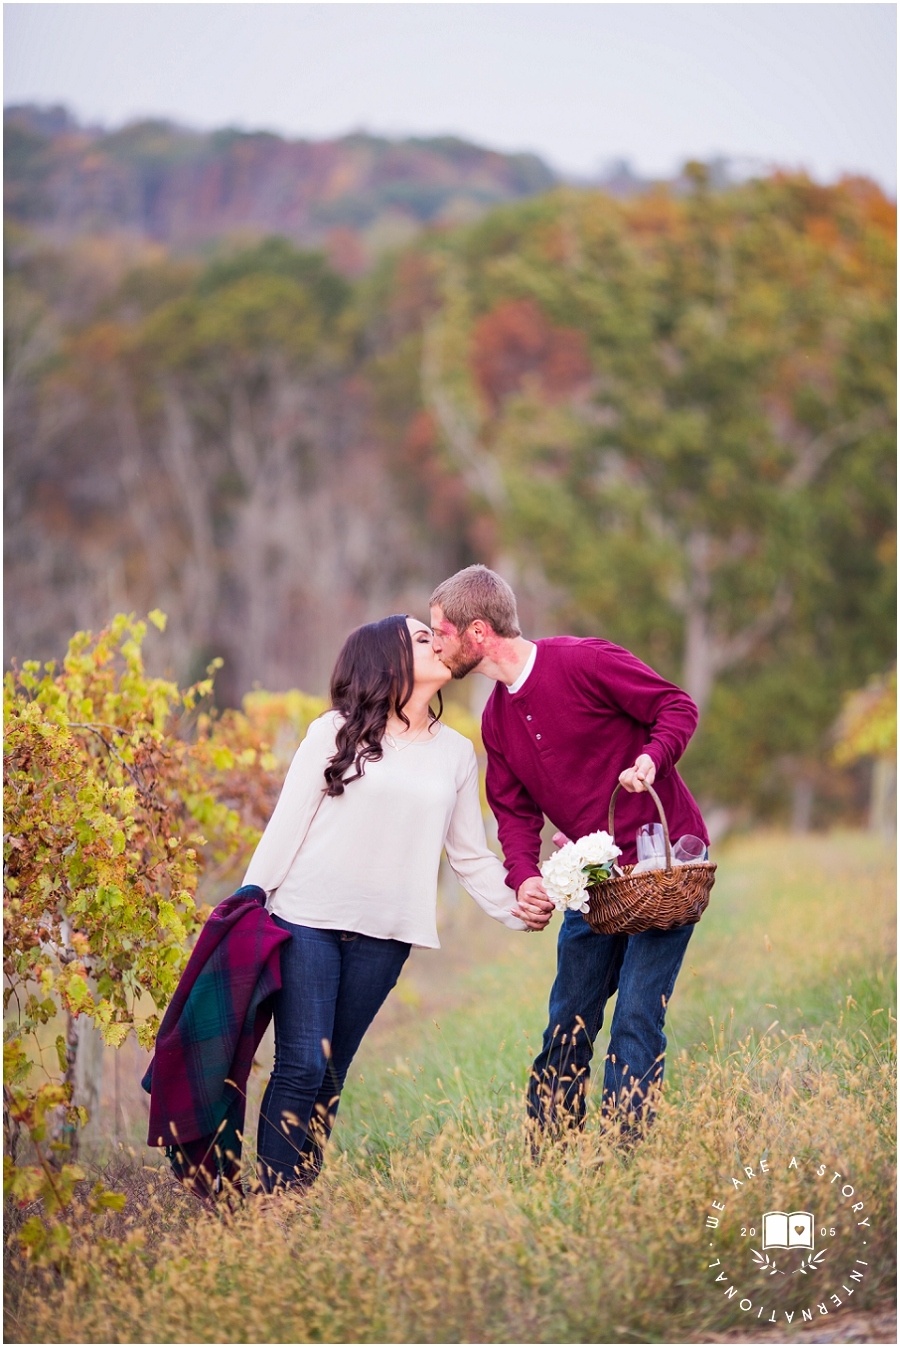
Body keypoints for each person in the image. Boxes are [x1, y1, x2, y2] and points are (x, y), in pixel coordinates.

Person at [243, 613, 537, 1192]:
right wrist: (249, 900)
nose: (438, 643)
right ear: (388, 658)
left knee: (331, 1070)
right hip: (306, 920)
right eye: (422, 638)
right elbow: (287, 826)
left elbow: (468, 854)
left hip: (387, 934)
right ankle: (269, 1206)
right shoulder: (333, 731)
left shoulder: (455, 753)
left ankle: (298, 1195)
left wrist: (516, 906)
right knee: (300, 1064)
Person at [430, 565, 708, 1139]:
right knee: (569, 1020)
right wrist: (525, 878)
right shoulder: (495, 721)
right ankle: (551, 1147)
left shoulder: (586, 661)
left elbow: (676, 707)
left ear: (477, 632)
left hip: (664, 868)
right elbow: (513, 815)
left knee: (636, 1014)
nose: (434, 644)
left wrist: (652, 758)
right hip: (592, 881)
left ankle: (623, 1154)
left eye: (440, 632)